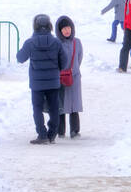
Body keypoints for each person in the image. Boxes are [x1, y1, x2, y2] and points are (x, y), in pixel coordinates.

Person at [16, 13, 69, 144]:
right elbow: (65, 62)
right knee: (54, 108)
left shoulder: (30, 43)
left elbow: (20, 58)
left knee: (37, 109)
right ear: (50, 26)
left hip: (37, 83)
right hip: (53, 82)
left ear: (35, 26)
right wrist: (57, 69)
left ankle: (42, 134)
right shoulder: (56, 42)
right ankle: (52, 135)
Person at [55, 15, 84, 139]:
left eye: (68, 28)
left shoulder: (77, 42)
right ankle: (60, 131)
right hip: (60, 78)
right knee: (61, 105)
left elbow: (79, 57)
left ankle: (74, 130)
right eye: (64, 29)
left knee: (74, 105)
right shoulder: (56, 43)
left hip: (74, 78)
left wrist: (74, 70)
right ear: (59, 30)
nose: (67, 31)